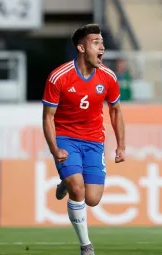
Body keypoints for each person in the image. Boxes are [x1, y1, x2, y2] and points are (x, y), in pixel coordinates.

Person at [42, 24, 126, 255]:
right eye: (96, 42)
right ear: (81, 47)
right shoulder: (59, 77)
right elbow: (48, 117)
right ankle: (86, 246)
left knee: (92, 199)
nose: (102, 47)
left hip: (94, 141)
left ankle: (66, 182)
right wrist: (54, 149)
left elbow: (116, 111)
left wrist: (121, 146)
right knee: (78, 190)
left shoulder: (108, 77)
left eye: (102, 42)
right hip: (65, 137)